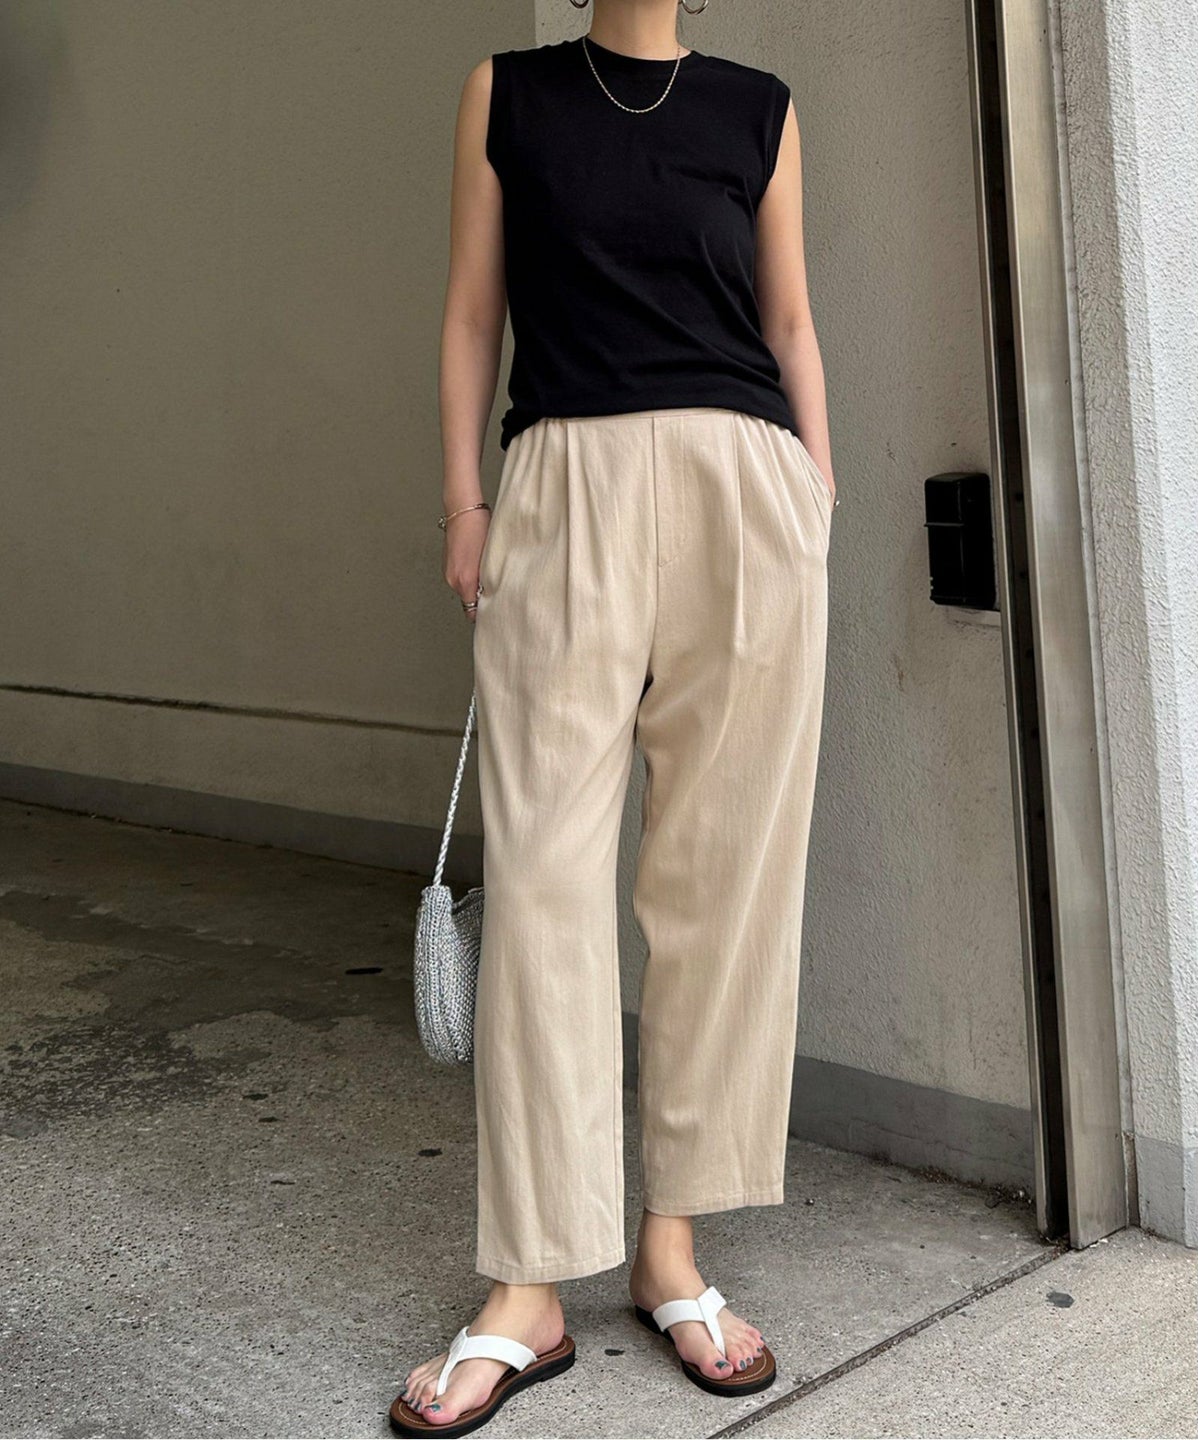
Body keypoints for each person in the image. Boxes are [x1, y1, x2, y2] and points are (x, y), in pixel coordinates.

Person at [392, 0, 837, 1432]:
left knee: (723, 880)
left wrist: (815, 493)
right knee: (545, 884)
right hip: (561, 486)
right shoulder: (508, 93)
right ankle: (528, 1281)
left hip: (742, 496)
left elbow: (788, 320)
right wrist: (464, 501)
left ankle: (672, 1248)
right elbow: (474, 311)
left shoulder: (759, 109)